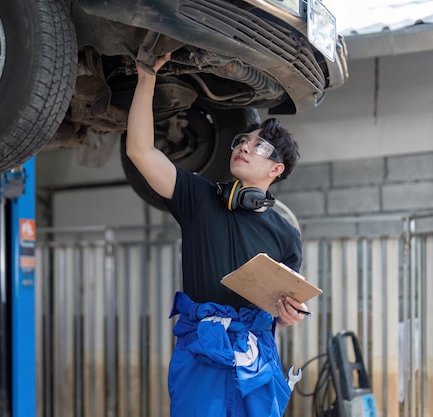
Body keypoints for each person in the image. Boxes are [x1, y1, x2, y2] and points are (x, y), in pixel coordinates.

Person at [126, 51, 309, 417]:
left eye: (258, 146)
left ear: (277, 168)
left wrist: (288, 316)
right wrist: (146, 78)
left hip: (255, 359)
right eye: (243, 140)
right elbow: (140, 150)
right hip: (200, 353)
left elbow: (283, 308)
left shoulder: (287, 235)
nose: (244, 146)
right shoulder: (198, 197)